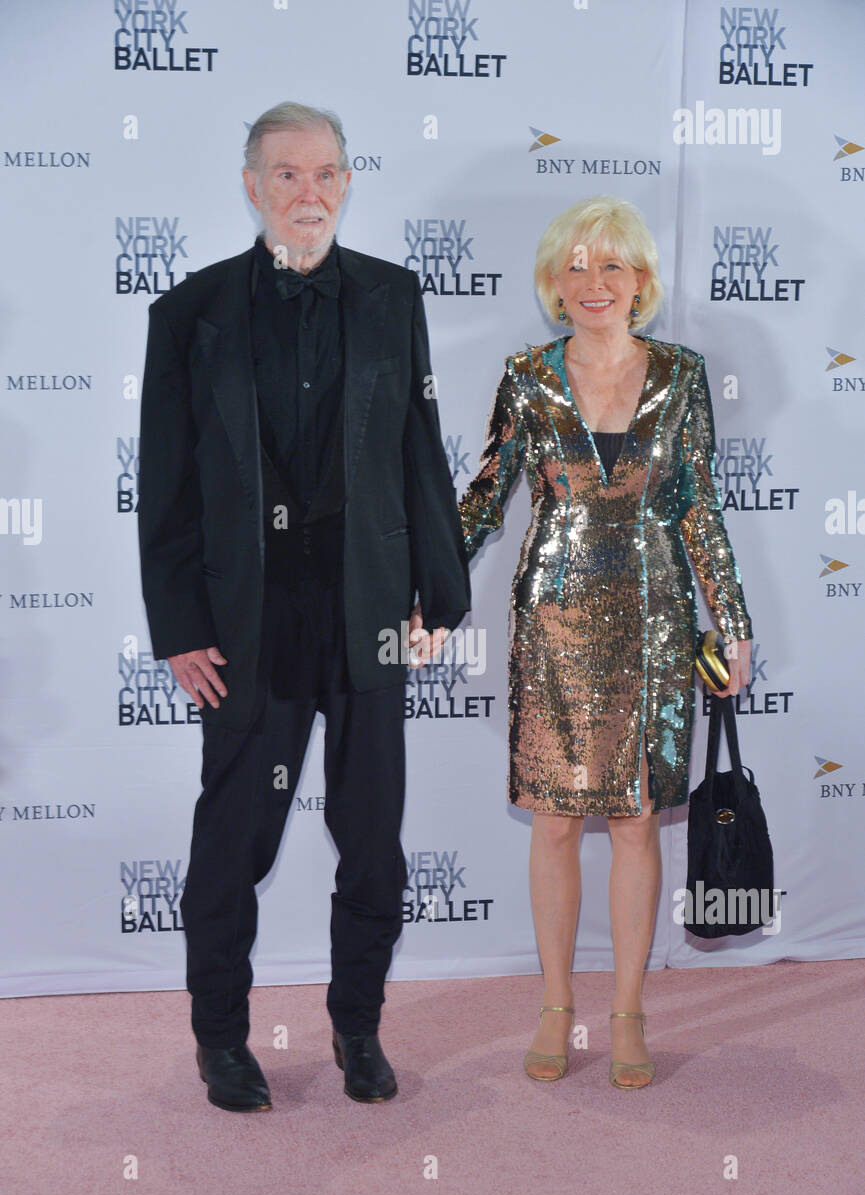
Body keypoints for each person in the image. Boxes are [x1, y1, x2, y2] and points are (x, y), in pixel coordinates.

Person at [137, 101, 468, 1111]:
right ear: (251, 187)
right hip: (248, 617)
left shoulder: (390, 296)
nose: (308, 192)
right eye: (286, 175)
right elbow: (167, 482)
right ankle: (220, 1039)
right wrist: (180, 625)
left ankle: (357, 1029)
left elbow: (417, 442)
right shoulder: (188, 312)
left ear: (347, 183)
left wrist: (441, 596)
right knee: (234, 838)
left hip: (365, 606)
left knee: (372, 834)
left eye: (325, 173)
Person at [454, 196, 752, 1089]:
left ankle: (626, 1014)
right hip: (553, 622)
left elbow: (697, 505)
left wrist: (729, 620)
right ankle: (555, 1007)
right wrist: (417, 591)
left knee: (631, 823)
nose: (593, 282)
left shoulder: (681, 373)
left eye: (611, 265)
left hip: (657, 623)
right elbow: (483, 496)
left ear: (640, 282)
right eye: (575, 266)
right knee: (552, 822)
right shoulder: (526, 375)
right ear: (552, 283)